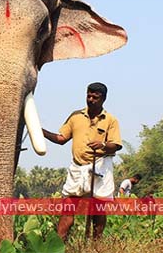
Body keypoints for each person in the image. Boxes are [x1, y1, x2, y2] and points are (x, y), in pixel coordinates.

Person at [43, 82, 122, 240]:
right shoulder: (76, 116)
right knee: (68, 207)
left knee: (98, 209)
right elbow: (61, 138)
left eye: (95, 97)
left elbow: (116, 146)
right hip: (77, 167)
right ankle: (59, 245)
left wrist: (103, 145)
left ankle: (96, 243)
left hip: (100, 165)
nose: (91, 99)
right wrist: (39, 132)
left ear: (103, 99)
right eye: (89, 95)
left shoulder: (110, 120)